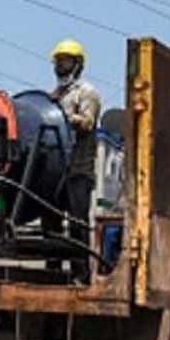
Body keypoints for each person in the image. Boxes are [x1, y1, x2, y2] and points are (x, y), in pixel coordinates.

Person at [50, 38, 102, 283]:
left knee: (77, 222)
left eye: (65, 61)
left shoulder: (86, 93)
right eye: (58, 61)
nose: (60, 65)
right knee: (50, 220)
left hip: (78, 170)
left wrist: (62, 116)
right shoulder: (55, 95)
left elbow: (88, 122)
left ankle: (80, 274)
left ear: (77, 64)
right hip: (57, 169)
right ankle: (53, 271)